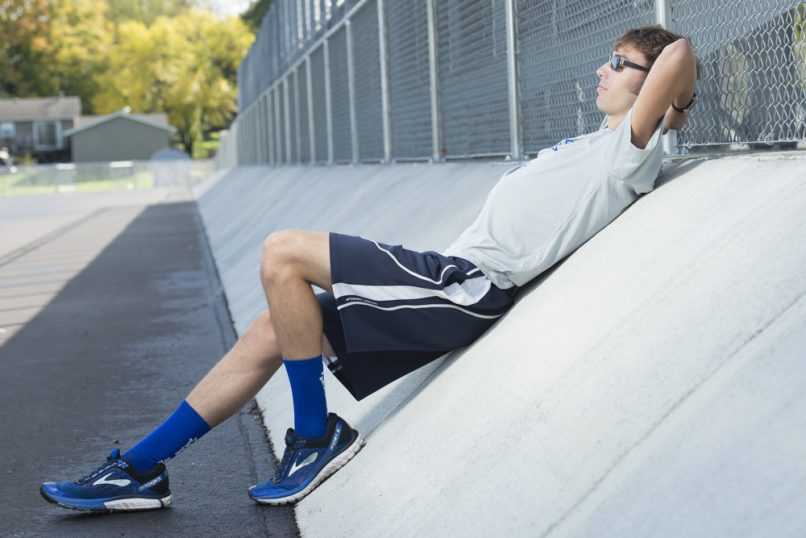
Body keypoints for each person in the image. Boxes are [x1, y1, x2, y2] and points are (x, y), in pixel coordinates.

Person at [40, 25, 699, 512]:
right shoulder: (592, 142)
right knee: (270, 331)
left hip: (466, 287)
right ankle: (141, 468)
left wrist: (677, 98)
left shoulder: (627, 151)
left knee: (283, 252)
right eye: (606, 59)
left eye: (620, 63)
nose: (601, 71)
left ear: (651, 88)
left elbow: (679, 54)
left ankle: (314, 435)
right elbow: (665, 71)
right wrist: (666, 94)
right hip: (446, 275)